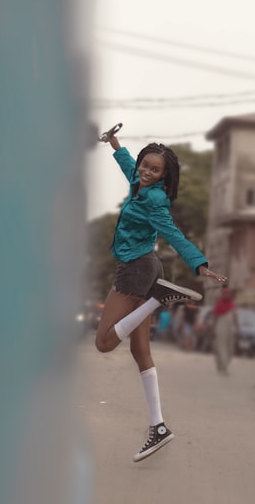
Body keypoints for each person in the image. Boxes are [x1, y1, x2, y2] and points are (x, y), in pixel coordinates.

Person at [94, 130, 228, 462]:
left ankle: (159, 298)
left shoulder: (155, 200)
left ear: (164, 177)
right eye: (146, 165)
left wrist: (200, 265)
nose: (147, 172)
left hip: (136, 270)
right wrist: (114, 143)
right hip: (148, 268)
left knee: (105, 342)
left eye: (156, 170)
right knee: (140, 350)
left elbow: (173, 234)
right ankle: (159, 427)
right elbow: (128, 165)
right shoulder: (138, 182)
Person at [212, 287, 238, 375]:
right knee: (221, 347)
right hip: (221, 326)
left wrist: (238, 328)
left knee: (230, 348)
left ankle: (223, 364)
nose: (227, 295)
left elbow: (235, 318)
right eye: (225, 293)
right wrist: (213, 328)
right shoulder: (219, 304)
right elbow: (215, 317)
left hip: (230, 328)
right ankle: (224, 367)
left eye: (228, 293)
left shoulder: (233, 305)